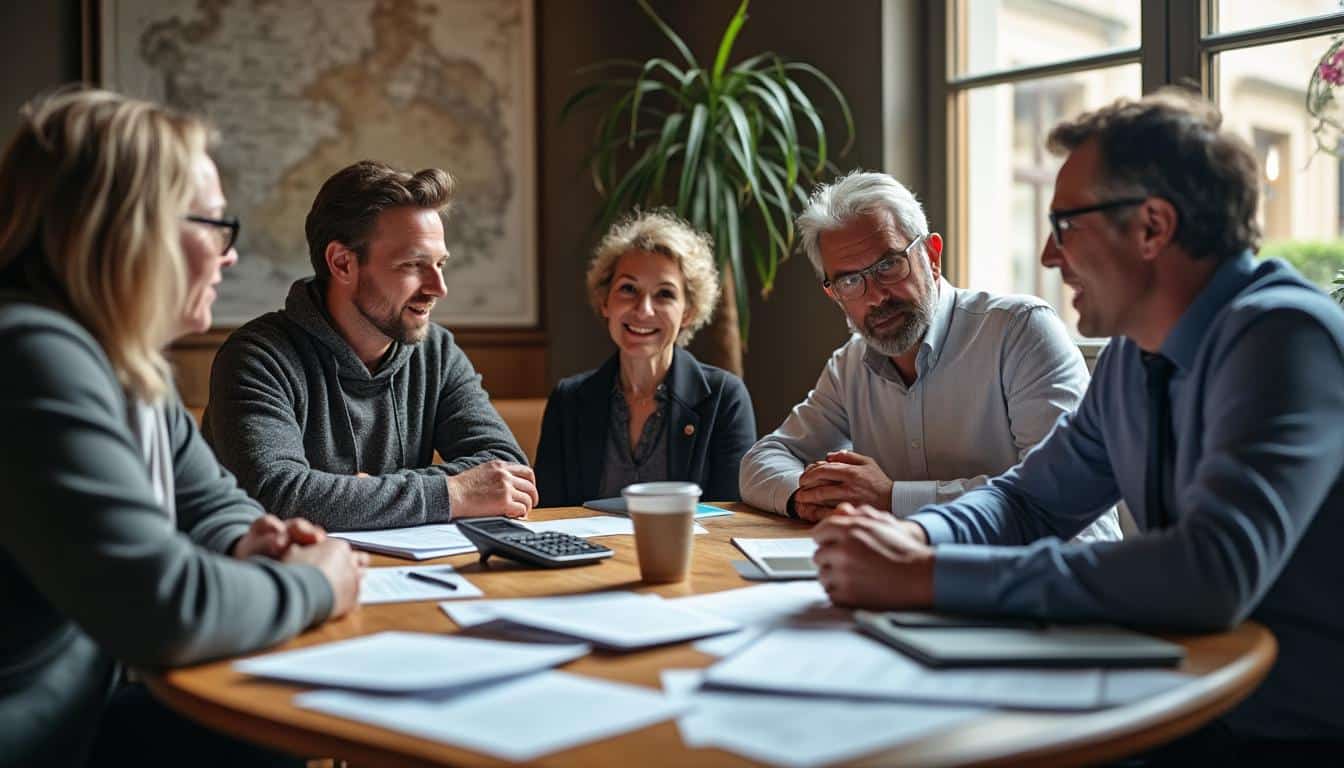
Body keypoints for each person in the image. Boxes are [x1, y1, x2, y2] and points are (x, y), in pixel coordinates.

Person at [811, 90, 1344, 758]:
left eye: (1065, 225)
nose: (1047, 255)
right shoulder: (1130, 357)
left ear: (1152, 227)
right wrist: (914, 536)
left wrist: (929, 576)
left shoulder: (1284, 337)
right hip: (1180, 701)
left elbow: (1211, 571)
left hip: (1294, 732)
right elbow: (1028, 500)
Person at [0, 88, 364, 767]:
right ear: (130, 230)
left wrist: (256, 540)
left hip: (84, 708)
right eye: (215, 224)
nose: (230, 254)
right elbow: (164, 607)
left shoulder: (126, 362)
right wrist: (315, 582)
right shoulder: (30, 355)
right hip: (37, 738)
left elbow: (211, 503)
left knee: (274, 729)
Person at [739, 170, 1119, 542]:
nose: (876, 296)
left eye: (888, 265)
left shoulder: (1020, 331)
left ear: (932, 256)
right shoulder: (849, 366)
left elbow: (1062, 497)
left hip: (1041, 574)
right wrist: (807, 497)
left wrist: (893, 499)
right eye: (851, 281)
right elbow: (764, 459)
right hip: (914, 575)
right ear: (834, 294)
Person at [204, 161, 534, 530]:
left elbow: (509, 469)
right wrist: (451, 492)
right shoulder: (257, 358)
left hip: (405, 566)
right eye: (413, 265)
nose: (438, 288)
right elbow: (278, 495)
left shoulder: (437, 352)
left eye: (440, 264)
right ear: (342, 263)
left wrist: (365, 493)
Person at [535, 210, 756, 506]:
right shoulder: (568, 401)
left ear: (688, 312)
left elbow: (731, 517)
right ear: (605, 301)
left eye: (664, 294)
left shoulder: (724, 399)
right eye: (628, 289)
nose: (644, 310)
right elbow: (548, 515)